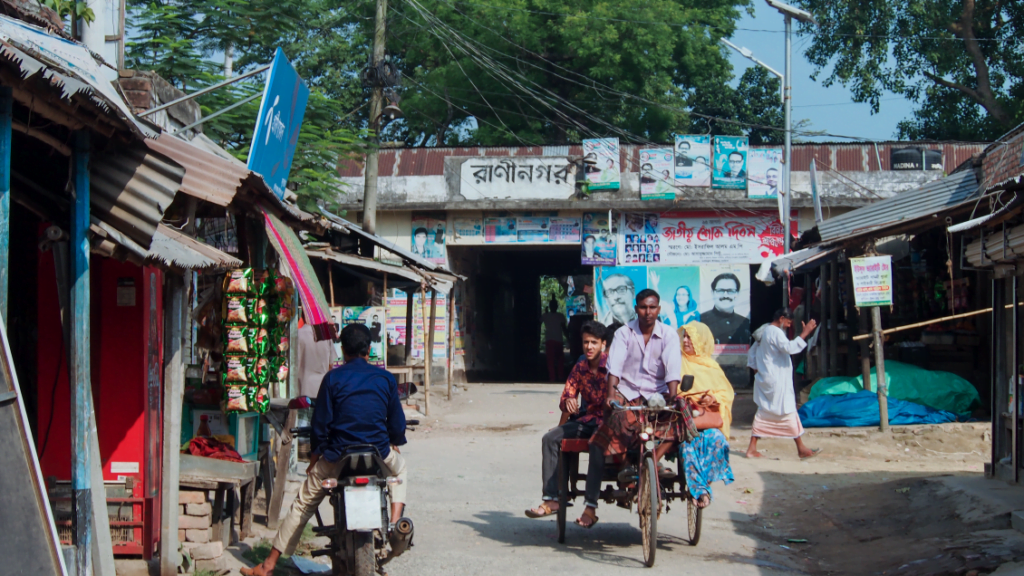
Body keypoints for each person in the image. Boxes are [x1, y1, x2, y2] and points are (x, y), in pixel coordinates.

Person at [242, 324, 408, 576]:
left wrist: (314, 459)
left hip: (338, 456)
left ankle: (268, 565)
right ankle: (395, 523)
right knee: (400, 471)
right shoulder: (385, 378)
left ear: (343, 350)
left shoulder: (332, 379)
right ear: (369, 349)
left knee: (303, 504)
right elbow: (397, 425)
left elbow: (320, 427)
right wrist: (393, 440)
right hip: (377, 453)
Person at [580, 290, 682, 529]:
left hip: (657, 395)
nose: (648, 312)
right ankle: (626, 464)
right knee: (614, 423)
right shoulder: (625, 333)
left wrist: (674, 396)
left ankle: (653, 460)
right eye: (643, 308)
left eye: (653, 308)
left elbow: (673, 370)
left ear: (659, 309)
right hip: (628, 393)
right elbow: (614, 369)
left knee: (682, 421)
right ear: (636, 308)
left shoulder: (668, 335)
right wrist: (611, 396)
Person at [525, 321, 609, 519]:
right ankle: (551, 499)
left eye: (594, 343)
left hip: (608, 423)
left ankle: (590, 505)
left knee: (597, 443)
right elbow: (566, 396)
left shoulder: (614, 367)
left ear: (603, 344)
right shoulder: (580, 367)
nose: (589, 347)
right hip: (586, 420)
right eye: (586, 342)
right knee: (550, 438)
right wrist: (569, 401)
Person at [745, 309, 821, 459]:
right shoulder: (774, 332)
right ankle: (801, 448)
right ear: (781, 318)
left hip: (770, 380)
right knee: (787, 411)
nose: (788, 326)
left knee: (767, 412)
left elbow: (752, 354)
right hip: (776, 381)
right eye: (788, 322)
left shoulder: (766, 332)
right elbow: (790, 348)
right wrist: (805, 333)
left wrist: (758, 373)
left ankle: (753, 448)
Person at [678, 322, 735, 508]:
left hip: (707, 421)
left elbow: (726, 393)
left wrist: (713, 398)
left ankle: (704, 484)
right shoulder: (676, 362)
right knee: (689, 444)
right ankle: (700, 490)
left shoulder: (712, 367)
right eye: (684, 336)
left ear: (701, 341)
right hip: (684, 421)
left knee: (718, 440)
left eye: (690, 337)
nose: (686, 341)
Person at [702, 273, 751, 346]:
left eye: (730, 291)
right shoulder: (701, 320)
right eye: (720, 290)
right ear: (712, 293)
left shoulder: (745, 323)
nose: (725, 295)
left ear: (737, 293)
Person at [295, 314, 334, 398]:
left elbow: (294, 364)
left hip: (304, 389)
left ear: (303, 317)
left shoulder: (298, 334)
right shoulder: (326, 335)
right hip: (322, 389)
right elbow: (331, 364)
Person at [542, 300, 568, 382]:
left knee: (550, 361)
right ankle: (560, 376)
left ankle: (552, 378)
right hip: (558, 340)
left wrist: (546, 313)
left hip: (549, 340)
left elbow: (538, 322)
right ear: (557, 306)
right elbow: (564, 329)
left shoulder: (545, 316)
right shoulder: (560, 316)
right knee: (560, 360)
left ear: (549, 307)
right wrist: (569, 338)